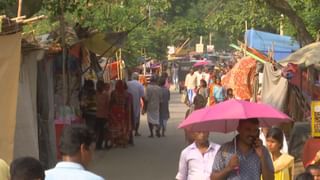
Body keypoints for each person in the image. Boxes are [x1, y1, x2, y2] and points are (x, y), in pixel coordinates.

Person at [109, 80, 132, 147]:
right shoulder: (126, 94)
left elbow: (111, 102)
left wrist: (109, 111)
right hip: (122, 111)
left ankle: (115, 142)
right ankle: (123, 142)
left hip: (115, 111)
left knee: (115, 126)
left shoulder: (113, 93)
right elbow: (127, 105)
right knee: (123, 126)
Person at [127, 72, 145, 136]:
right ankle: (136, 131)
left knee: (129, 117)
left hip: (128, 104)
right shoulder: (140, 85)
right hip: (136, 103)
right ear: (138, 78)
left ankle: (130, 131)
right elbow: (143, 96)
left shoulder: (128, 84)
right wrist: (144, 107)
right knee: (137, 117)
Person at [95, 81, 110, 150]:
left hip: (102, 115)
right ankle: (98, 144)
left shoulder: (105, 95)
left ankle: (100, 144)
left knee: (102, 131)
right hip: (98, 115)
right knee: (100, 131)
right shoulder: (96, 94)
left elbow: (107, 105)